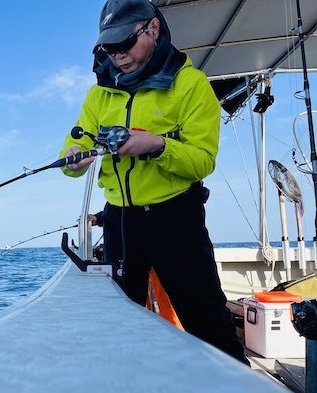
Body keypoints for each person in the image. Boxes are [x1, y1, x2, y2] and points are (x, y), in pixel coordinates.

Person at [61, 0, 248, 364]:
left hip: (176, 219)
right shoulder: (98, 93)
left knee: (207, 322)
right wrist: (74, 159)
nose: (117, 56)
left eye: (124, 45)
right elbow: (77, 145)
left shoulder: (190, 84)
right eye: (108, 48)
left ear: (153, 29)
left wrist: (157, 145)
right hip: (120, 221)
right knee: (118, 320)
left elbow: (201, 161)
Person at [88, 211, 184, 331]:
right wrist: (98, 217)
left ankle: (175, 334)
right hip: (136, 258)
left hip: (154, 254)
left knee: (165, 299)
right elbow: (115, 211)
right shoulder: (118, 202)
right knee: (145, 299)